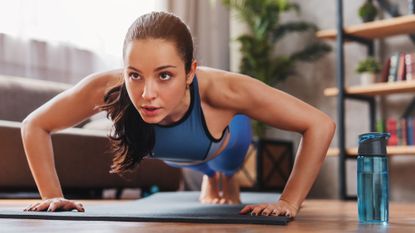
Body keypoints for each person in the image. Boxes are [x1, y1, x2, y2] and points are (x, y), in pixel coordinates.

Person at [21, 11, 335, 218]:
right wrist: (52, 196)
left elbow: (319, 124)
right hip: (178, 152)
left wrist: (289, 201)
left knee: (226, 164)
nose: (147, 94)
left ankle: (222, 175)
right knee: (192, 160)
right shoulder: (107, 88)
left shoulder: (225, 90)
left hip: (225, 138)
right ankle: (210, 178)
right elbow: (35, 124)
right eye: (135, 75)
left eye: (165, 75)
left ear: (189, 72)